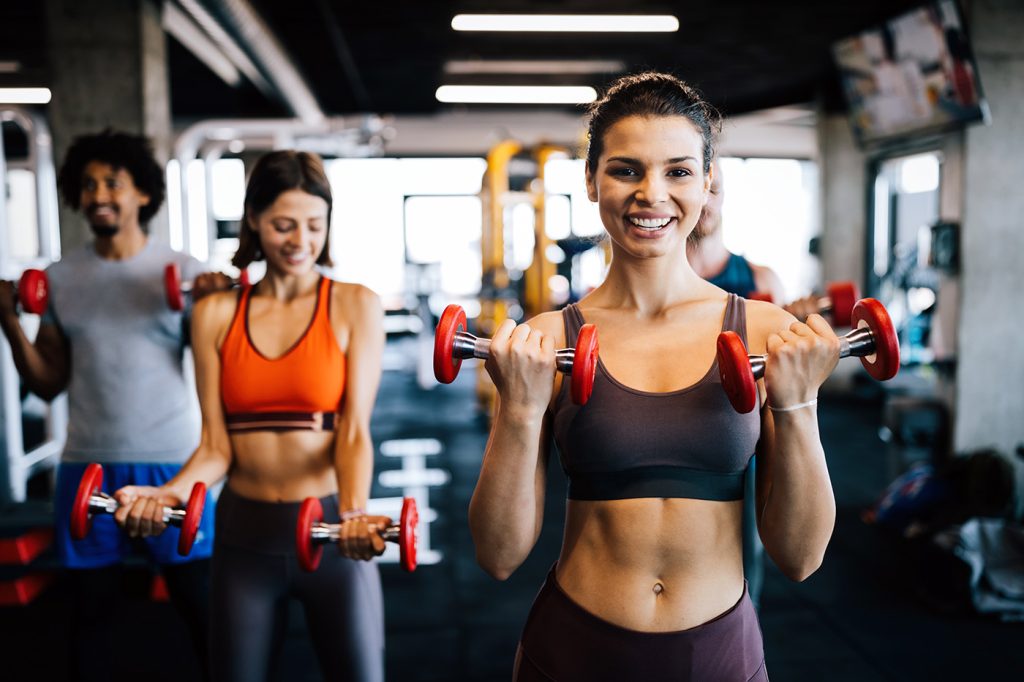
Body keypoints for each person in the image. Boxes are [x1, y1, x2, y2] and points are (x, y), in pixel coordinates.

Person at [469, 72, 839, 681]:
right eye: (626, 170)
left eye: (678, 171)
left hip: (718, 655)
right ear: (591, 182)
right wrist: (519, 409)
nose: (652, 194)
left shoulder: (765, 332)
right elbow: (497, 555)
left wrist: (798, 404)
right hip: (573, 650)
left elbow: (800, 558)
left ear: (706, 183)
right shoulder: (548, 339)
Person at [112, 150, 387, 682]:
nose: (300, 241)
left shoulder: (355, 305)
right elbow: (216, 446)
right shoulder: (216, 313)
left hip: (332, 530)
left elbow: (353, 431)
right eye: (283, 225)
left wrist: (353, 513)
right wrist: (167, 495)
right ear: (254, 220)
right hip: (244, 538)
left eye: (314, 224)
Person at [0, 129, 219, 679]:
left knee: (202, 609)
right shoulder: (60, 279)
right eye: (89, 184)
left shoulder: (186, 274)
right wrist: (9, 321)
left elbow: (223, 362)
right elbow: (49, 382)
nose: (100, 194)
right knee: (90, 616)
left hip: (171, 464)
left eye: (113, 183)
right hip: (86, 467)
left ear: (142, 193)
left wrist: (222, 306)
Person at [686, 160, 786, 303]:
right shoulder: (658, 282)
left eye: (713, 189)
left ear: (723, 195)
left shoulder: (763, 282)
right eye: (694, 191)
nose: (705, 202)